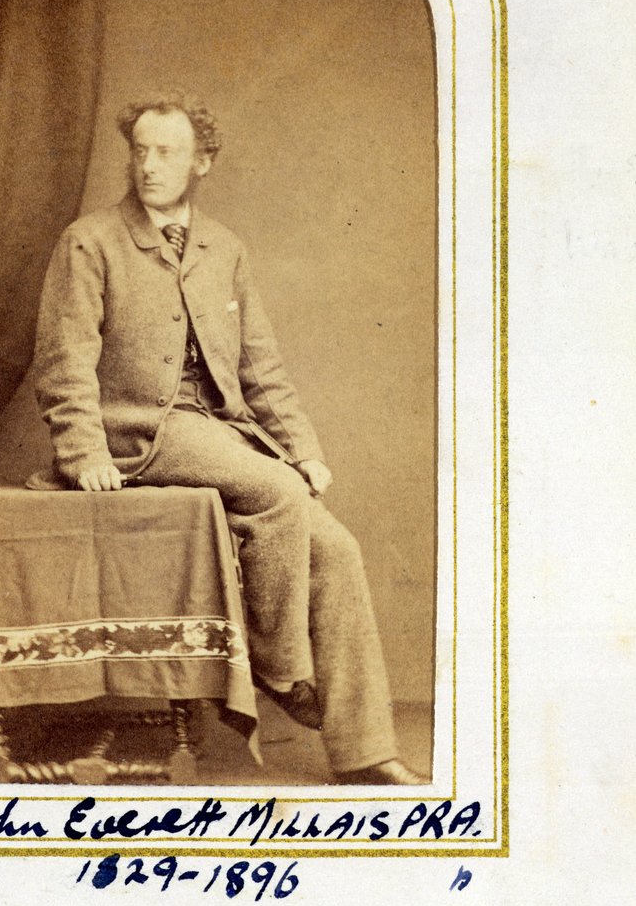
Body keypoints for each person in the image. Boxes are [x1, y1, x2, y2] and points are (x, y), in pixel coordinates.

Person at [33, 92, 424, 784]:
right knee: (276, 491)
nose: (149, 166)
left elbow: (259, 365)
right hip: (140, 434)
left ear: (202, 162)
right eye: (140, 151)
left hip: (219, 431)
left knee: (337, 547)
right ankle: (278, 667)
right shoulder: (90, 241)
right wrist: (84, 452)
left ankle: (364, 752)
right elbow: (65, 359)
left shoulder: (224, 248)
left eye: (168, 153)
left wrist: (304, 448)